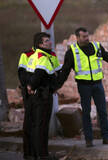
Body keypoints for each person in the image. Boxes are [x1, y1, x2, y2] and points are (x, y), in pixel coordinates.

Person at [58, 27, 108, 147]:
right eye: (84, 37)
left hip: (98, 85)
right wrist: (56, 87)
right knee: (86, 113)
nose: (87, 38)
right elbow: (65, 72)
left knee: (102, 112)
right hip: (84, 86)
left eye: (87, 36)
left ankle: (106, 137)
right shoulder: (72, 52)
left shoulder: (96, 47)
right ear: (77, 38)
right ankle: (89, 140)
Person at [26, 32, 61, 160]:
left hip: (38, 95)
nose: (50, 42)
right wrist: (32, 86)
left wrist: (30, 87)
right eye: (47, 41)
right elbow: (39, 75)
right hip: (43, 96)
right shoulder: (43, 58)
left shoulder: (37, 55)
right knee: (42, 126)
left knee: (37, 125)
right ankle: (43, 155)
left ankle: (36, 154)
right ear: (40, 44)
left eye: (49, 40)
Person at [17, 46, 35, 160]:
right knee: (29, 121)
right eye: (46, 41)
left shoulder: (48, 55)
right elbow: (22, 74)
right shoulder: (26, 55)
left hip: (42, 93)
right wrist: (29, 86)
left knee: (39, 123)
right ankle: (28, 152)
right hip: (29, 92)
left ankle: (37, 152)